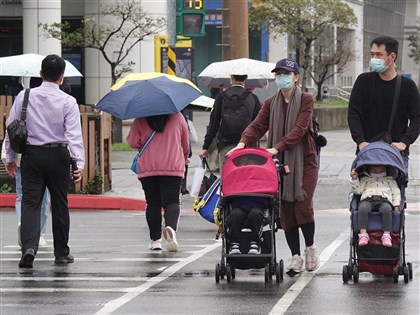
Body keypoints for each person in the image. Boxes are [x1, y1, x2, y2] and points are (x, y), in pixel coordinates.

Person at [228, 58, 319, 275]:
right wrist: (241, 144)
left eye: (286, 74)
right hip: (277, 163)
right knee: (285, 210)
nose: (281, 78)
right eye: (278, 74)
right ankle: (295, 256)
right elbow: (257, 125)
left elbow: (300, 129)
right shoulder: (271, 103)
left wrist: (277, 147)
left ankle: (310, 247)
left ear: (296, 77)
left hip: (304, 161)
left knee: (302, 206)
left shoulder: (306, 99)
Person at [4, 54, 84, 268]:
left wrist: (10, 157)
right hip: (58, 155)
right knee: (59, 203)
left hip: (32, 156)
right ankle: (61, 253)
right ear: (62, 76)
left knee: (30, 203)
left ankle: (29, 248)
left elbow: (12, 127)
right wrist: (79, 164)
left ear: (40, 74)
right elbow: (74, 136)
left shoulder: (25, 96)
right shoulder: (68, 101)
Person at [347, 35, 420, 163]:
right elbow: (353, 113)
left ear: (392, 57)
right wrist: (361, 141)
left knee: (396, 184)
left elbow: (417, 117)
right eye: (372, 54)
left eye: (379, 55)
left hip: (396, 153)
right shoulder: (363, 81)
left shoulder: (407, 86)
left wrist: (405, 142)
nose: (374, 59)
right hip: (367, 151)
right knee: (365, 183)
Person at [126, 113, 189, 252]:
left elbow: (132, 142)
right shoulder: (177, 117)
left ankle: (156, 241)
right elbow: (185, 143)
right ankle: (171, 228)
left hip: (149, 167)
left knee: (153, 203)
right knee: (171, 201)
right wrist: (185, 157)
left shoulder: (141, 117)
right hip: (173, 166)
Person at [199, 74, 261, 168]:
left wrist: (206, 147)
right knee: (247, 179)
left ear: (231, 78)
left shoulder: (221, 97)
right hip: (248, 146)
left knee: (228, 179)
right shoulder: (253, 98)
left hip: (226, 145)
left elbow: (214, 124)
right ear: (246, 78)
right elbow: (258, 125)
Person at [350, 165, 401, 247]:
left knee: (387, 209)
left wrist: (396, 205)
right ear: (369, 171)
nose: (378, 173)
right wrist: (355, 179)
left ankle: (386, 234)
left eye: (381, 171)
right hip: (368, 198)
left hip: (384, 199)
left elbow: (396, 193)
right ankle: (363, 234)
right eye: (375, 171)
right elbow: (357, 190)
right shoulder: (366, 180)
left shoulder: (390, 181)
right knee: (363, 209)